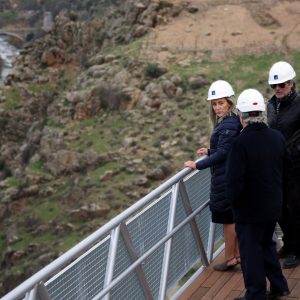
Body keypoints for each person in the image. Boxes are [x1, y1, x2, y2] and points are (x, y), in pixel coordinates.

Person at [227, 89, 290, 300]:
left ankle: (255, 294)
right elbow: (287, 171)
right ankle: (279, 286)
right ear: (262, 113)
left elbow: (234, 182)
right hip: (273, 206)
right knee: (267, 245)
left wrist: (233, 203)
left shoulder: (239, 143)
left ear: (241, 115)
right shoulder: (277, 137)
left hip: (248, 211)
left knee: (251, 252)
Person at [184, 80, 242, 271]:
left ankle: (230, 259)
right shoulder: (230, 122)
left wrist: (197, 165)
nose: (217, 107)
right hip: (227, 175)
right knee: (232, 217)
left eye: (221, 103)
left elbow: (224, 153)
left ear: (230, 103)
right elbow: (226, 148)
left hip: (225, 178)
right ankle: (237, 255)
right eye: (214, 104)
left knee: (228, 219)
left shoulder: (229, 123)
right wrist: (210, 151)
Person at [267, 61, 300, 269]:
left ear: (292, 84)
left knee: (296, 207)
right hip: (276, 166)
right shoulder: (270, 105)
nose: (278, 88)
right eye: (274, 86)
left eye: (283, 85)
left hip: (297, 166)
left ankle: (297, 250)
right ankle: (288, 244)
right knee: (279, 207)